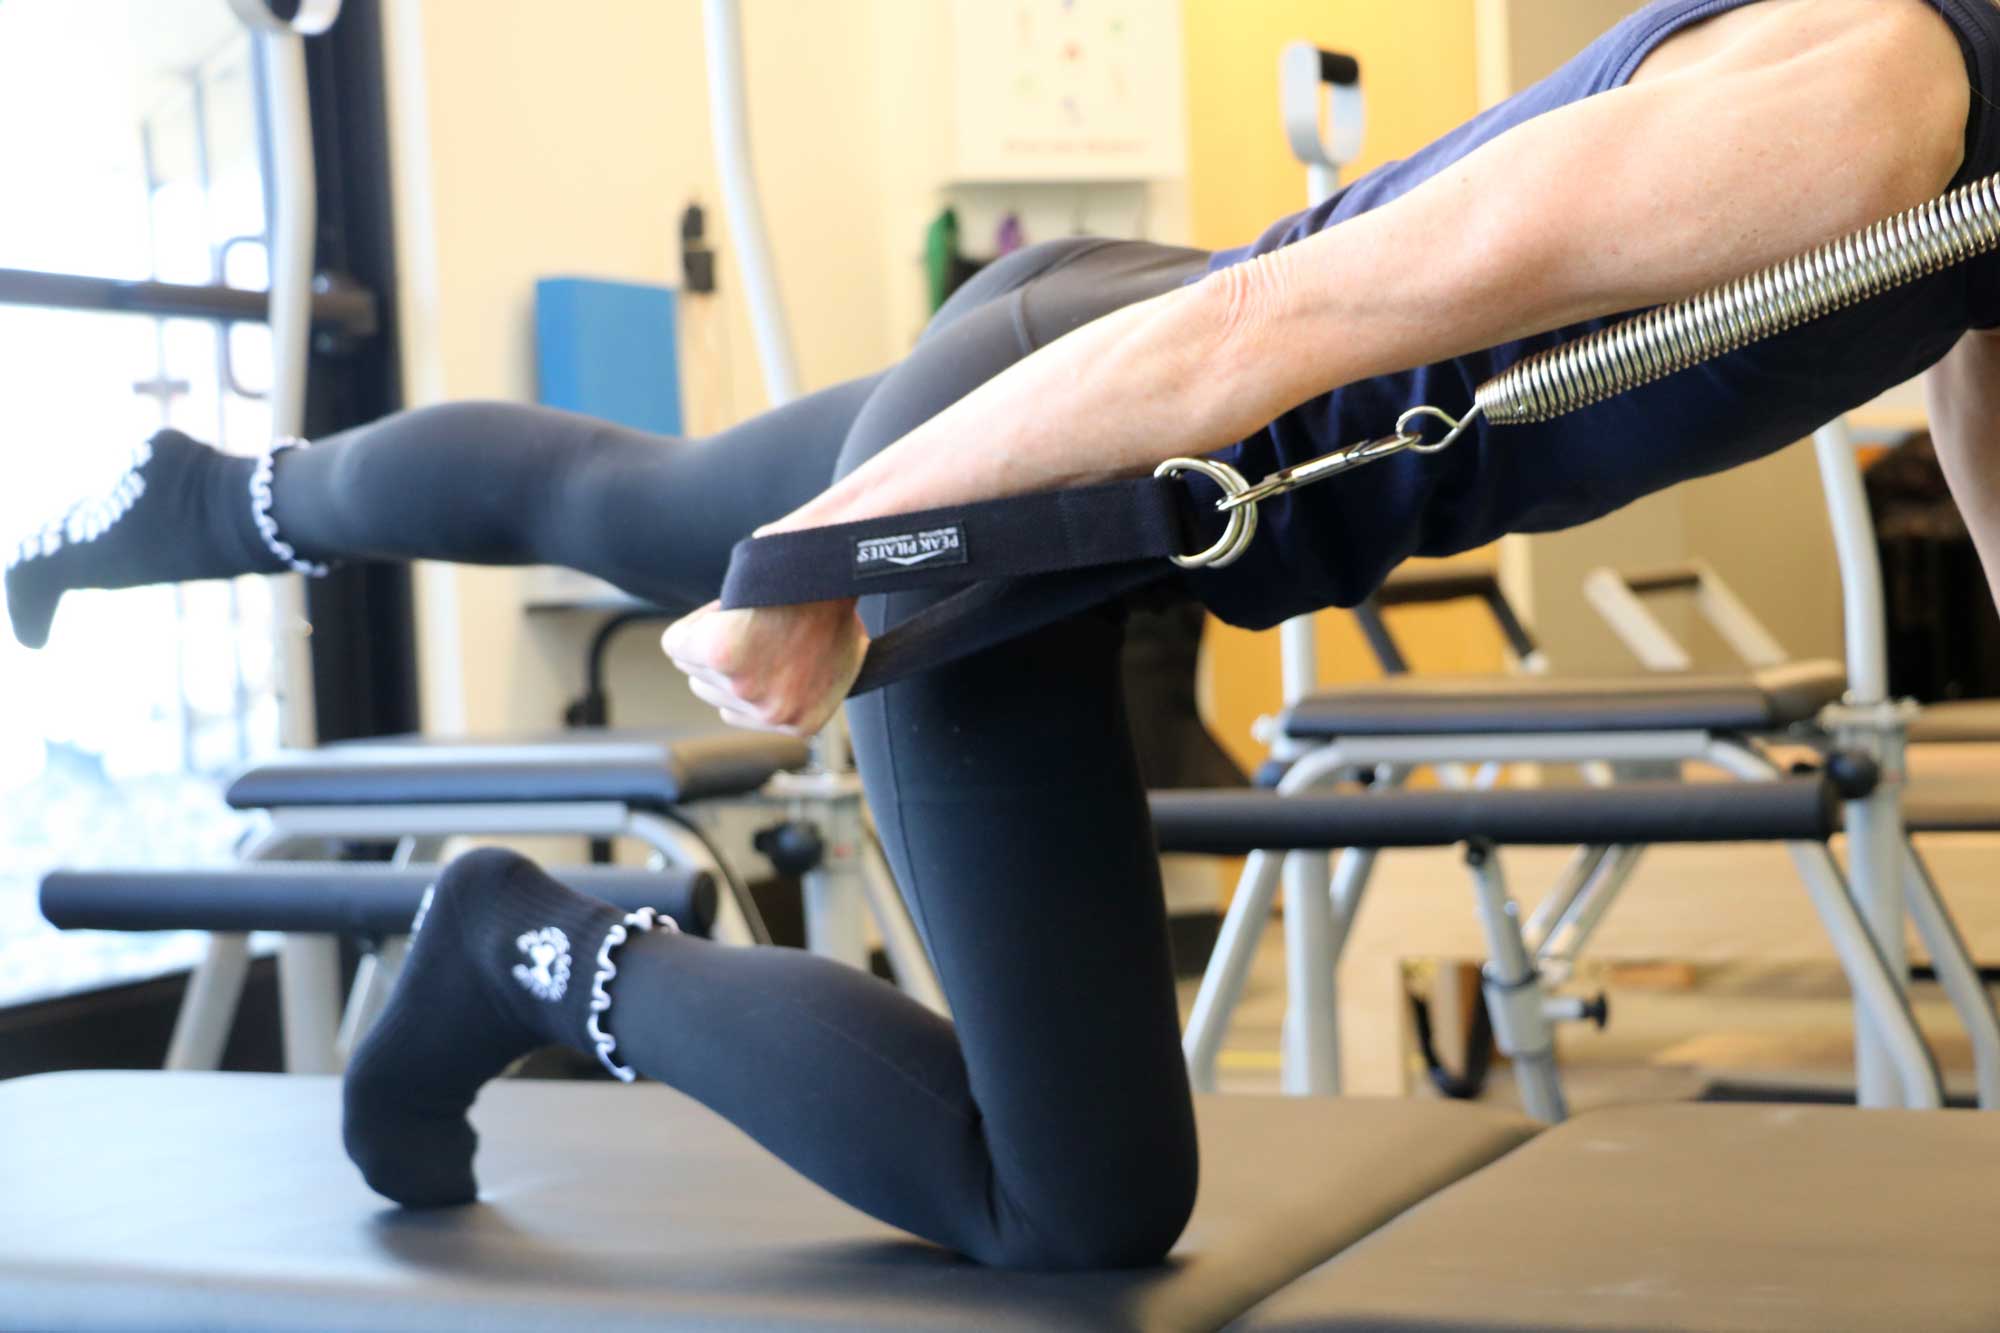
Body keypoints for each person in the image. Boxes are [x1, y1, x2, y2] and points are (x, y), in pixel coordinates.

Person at [10, 0, 1999, 1270]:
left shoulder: (1963, 152)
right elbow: (1269, 336)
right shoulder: (1864, 114)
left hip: (1084, 349)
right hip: (1070, 474)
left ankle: (206, 493)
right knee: (1073, 1204)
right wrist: (844, 555)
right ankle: (530, 942)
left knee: (613, 500)